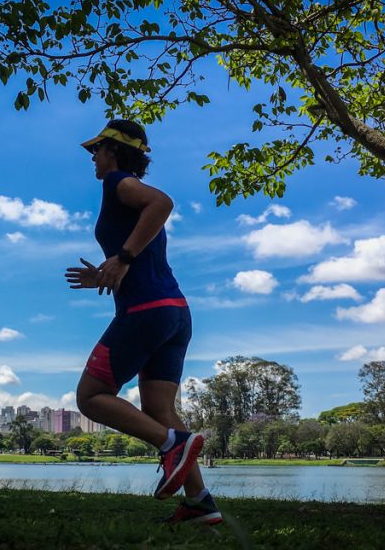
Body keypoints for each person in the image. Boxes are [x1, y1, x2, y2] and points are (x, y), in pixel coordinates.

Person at [65, 119, 222, 526]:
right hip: (174, 313)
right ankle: (200, 501)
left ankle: (172, 443)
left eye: (96, 149)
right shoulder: (120, 190)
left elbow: (163, 203)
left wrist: (122, 258)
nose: (93, 158)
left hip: (146, 312)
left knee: (91, 396)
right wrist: (105, 273)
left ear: (113, 149)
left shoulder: (118, 181)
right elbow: (142, 252)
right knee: (157, 406)